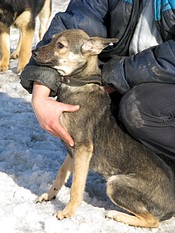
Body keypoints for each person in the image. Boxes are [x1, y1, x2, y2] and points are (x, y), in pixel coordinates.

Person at [20, 0, 175, 162]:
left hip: (160, 84)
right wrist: (40, 94)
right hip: (126, 76)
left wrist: (115, 75)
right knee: (77, 97)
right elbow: (74, 27)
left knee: (137, 108)